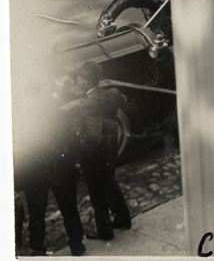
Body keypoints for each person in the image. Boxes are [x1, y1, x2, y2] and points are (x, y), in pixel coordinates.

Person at [15, 91, 85, 256]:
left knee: (36, 214)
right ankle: (77, 244)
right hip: (59, 169)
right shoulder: (58, 113)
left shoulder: (21, 118)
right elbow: (72, 140)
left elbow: (18, 151)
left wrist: (17, 179)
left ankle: (38, 249)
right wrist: (73, 161)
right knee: (69, 208)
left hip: (34, 173)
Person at [69, 61, 132, 241]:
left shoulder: (87, 105)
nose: (77, 82)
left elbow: (93, 135)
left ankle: (104, 231)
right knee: (110, 182)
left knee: (97, 192)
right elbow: (124, 101)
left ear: (88, 81)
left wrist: (81, 152)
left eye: (79, 79)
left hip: (95, 153)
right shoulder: (111, 94)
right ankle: (123, 219)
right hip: (111, 148)